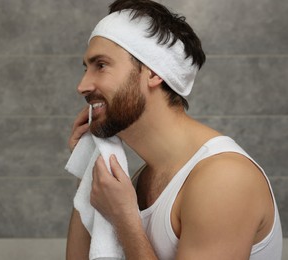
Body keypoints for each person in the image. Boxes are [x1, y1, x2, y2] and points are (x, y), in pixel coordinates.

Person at [66, 0, 283, 259]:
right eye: (86, 68)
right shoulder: (137, 179)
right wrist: (88, 173)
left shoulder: (224, 179)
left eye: (100, 65)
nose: (82, 85)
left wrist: (124, 219)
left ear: (154, 73)